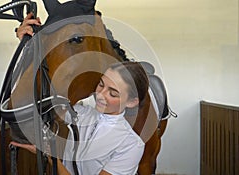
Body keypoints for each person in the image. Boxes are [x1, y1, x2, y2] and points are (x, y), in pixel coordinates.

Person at [11, 14, 149, 175]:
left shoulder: (130, 145)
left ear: (132, 102)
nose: (101, 95)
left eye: (113, 93)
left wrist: (51, 158)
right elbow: (38, 98)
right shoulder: (80, 113)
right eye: (101, 84)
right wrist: (28, 43)